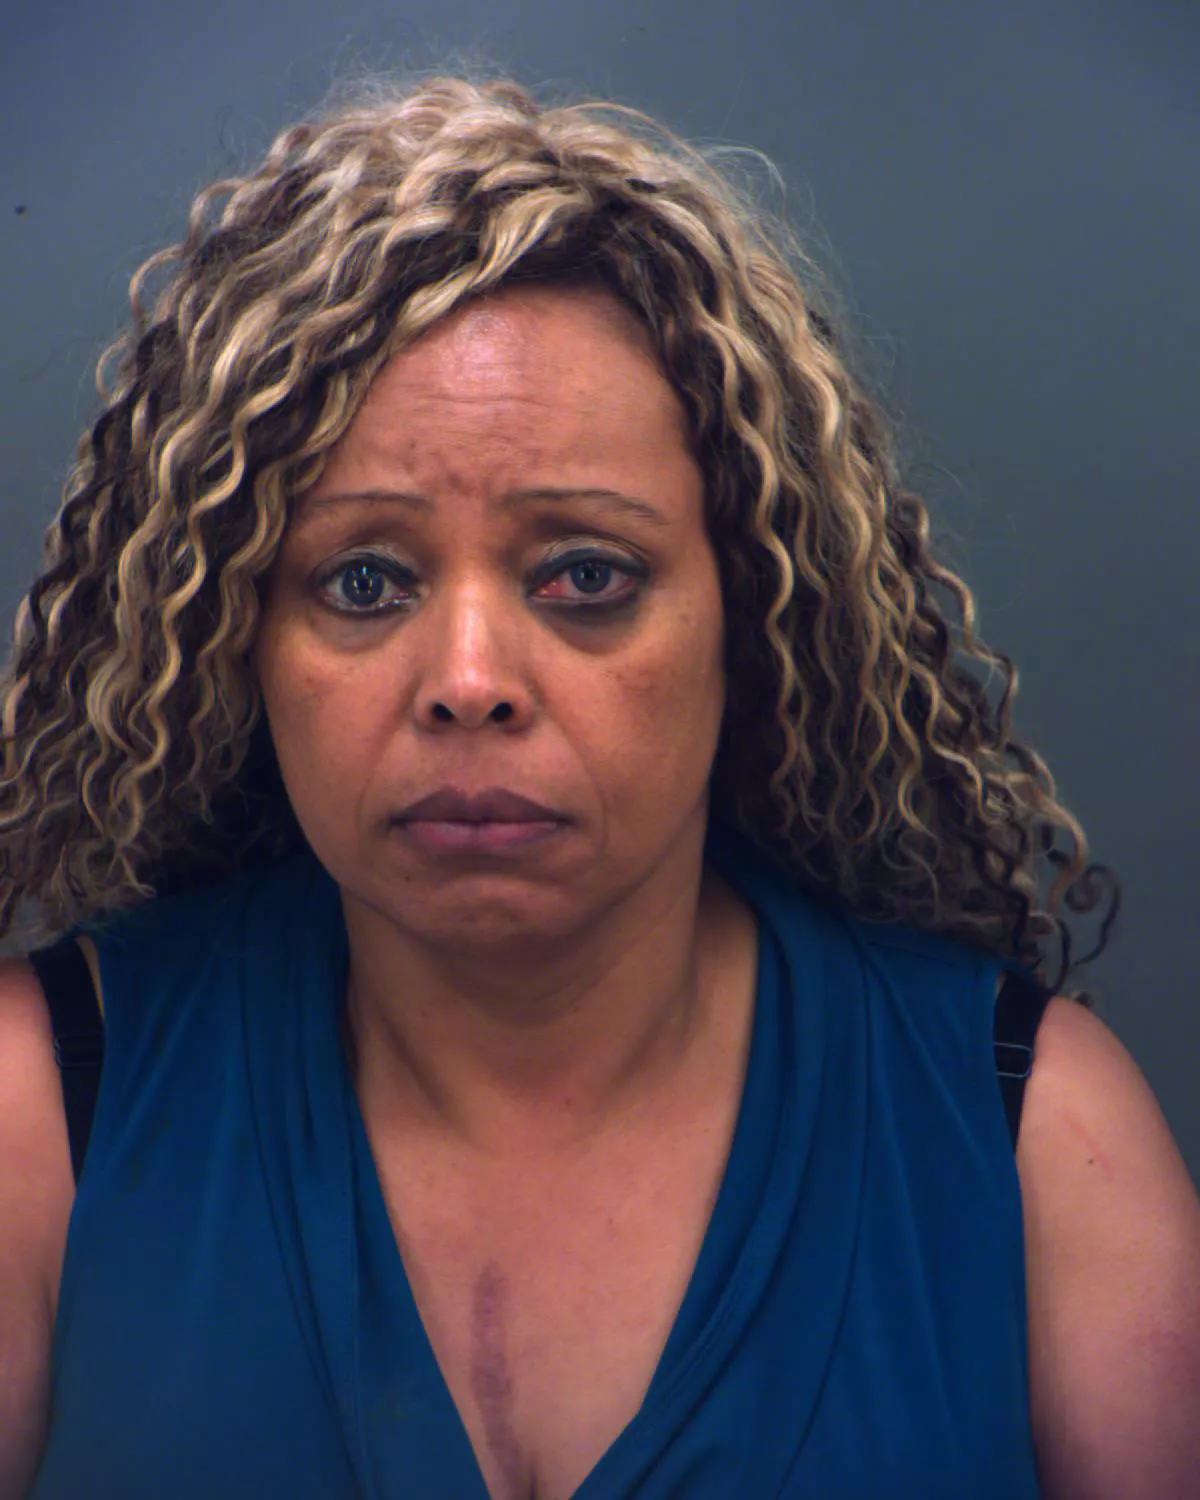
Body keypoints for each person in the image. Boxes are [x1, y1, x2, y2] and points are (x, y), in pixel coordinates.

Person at [0, 71, 1196, 1500]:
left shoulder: (1036, 1133)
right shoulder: (40, 1109)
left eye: (586, 575)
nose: (468, 680)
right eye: (363, 581)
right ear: (238, 640)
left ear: (750, 619)